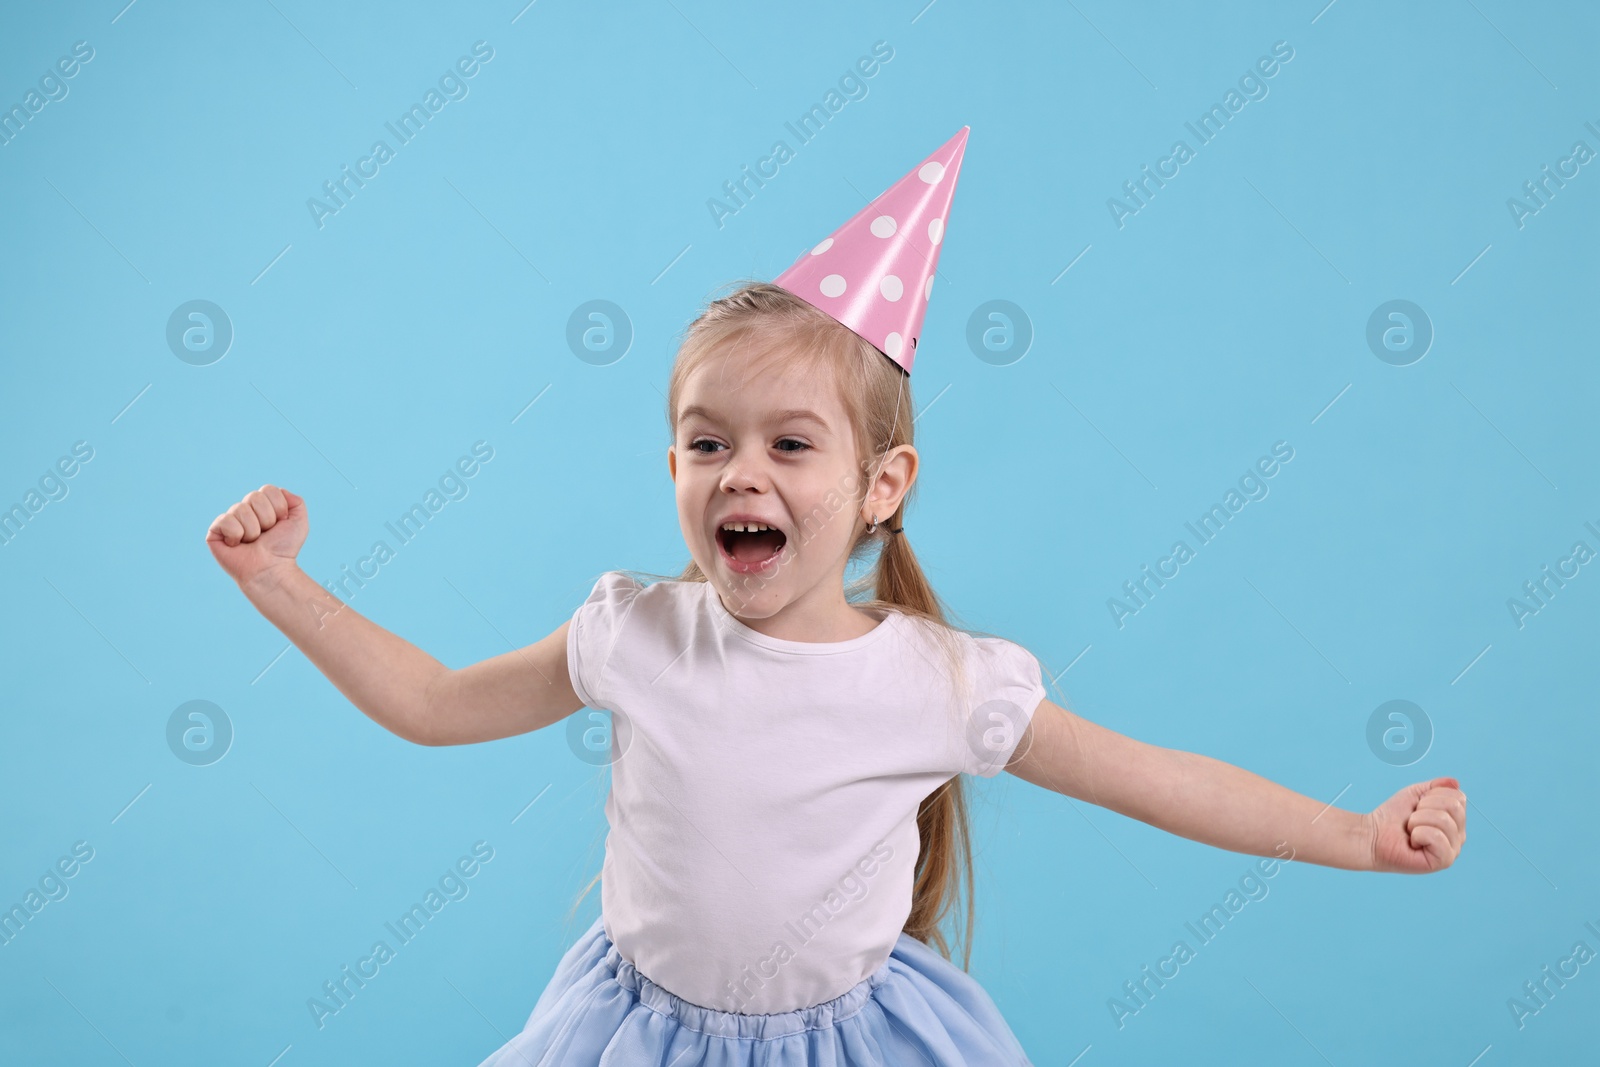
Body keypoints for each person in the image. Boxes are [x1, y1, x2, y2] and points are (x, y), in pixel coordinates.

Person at [205, 130, 1466, 1065]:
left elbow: (1156, 779)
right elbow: (431, 701)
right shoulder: (631, 630)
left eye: (790, 445)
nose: (739, 471)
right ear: (673, 470)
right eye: (707, 443)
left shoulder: (939, 679)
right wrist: (282, 585)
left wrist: (1354, 833)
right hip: (635, 1034)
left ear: (881, 485)